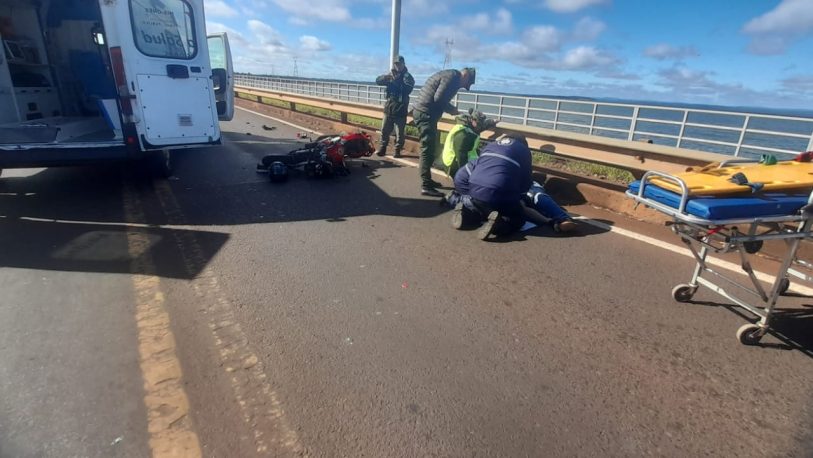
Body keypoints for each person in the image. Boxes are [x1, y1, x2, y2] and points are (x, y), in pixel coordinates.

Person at [449, 134, 532, 240]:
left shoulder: (490, 145)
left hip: (475, 188)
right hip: (501, 191)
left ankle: (466, 214)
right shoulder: (524, 150)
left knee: (483, 208)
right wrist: (521, 197)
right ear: (524, 144)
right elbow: (526, 181)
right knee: (518, 218)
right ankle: (499, 225)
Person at [411, 67, 476, 197]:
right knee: (427, 149)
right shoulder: (452, 78)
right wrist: (451, 109)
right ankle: (426, 185)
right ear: (466, 76)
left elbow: (438, 97)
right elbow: (438, 98)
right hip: (425, 114)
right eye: (467, 84)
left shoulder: (450, 75)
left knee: (431, 148)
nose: (465, 87)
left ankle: (428, 180)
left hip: (424, 112)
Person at [375, 56, 414, 158]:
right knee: (384, 130)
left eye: (399, 64)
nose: (397, 66)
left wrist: (396, 81)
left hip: (400, 110)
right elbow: (378, 81)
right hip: (389, 108)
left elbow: (407, 89)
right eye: (396, 64)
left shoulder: (408, 77)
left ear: (403, 64)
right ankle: (383, 148)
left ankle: (397, 150)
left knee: (399, 134)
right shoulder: (390, 75)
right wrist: (386, 78)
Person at [441, 110, 495, 178]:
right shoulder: (462, 134)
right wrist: (466, 174)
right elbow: (461, 157)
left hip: (463, 158)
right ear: (472, 120)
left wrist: (492, 122)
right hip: (452, 164)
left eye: (481, 124)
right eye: (479, 124)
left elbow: (481, 127)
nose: (479, 126)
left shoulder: (470, 126)